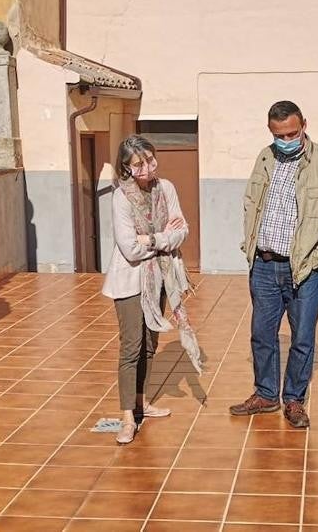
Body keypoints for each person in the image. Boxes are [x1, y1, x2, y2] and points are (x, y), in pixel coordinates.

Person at [230, 101, 318, 429]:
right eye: (278, 134)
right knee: (261, 334)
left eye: (291, 133)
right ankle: (266, 394)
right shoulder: (265, 157)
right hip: (265, 266)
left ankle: (294, 399)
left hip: (303, 269)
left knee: (302, 338)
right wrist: (250, 247)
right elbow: (251, 204)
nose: (285, 139)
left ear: (304, 125)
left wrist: (317, 257)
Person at [102, 135, 202, 444]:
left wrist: (152, 240)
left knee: (149, 344)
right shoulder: (121, 197)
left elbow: (181, 230)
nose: (147, 167)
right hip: (130, 281)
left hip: (159, 277)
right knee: (131, 346)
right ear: (127, 167)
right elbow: (130, 249)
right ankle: (127, 417)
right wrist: (161, 239)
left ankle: (141, 403)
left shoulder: (166, 188)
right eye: (139, 163)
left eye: (150, 160)